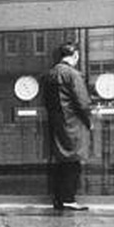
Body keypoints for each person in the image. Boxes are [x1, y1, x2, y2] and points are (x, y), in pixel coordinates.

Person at [41, 42, 93, 211]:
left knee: (61, 162)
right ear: (76, 55)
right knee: (73, 161)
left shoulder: (50, 74)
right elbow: (82, 102)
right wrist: (89, 121)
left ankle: (59, 199)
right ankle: (69, 199)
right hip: (73, 123)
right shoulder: (73, 74)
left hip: (56, 124)